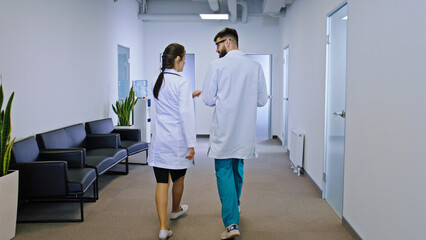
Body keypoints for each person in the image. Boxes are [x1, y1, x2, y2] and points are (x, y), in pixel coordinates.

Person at [202, 28, 269, 239]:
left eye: (218, 44)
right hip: (244, 131)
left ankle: (231, 224)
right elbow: (262, 100)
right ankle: (235, 207)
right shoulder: (255, 67)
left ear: (228, 42)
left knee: (223, 173)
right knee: (237, 170)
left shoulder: (217, 66)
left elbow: (208, 99)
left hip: (224, 130)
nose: (217, 49)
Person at [147, 43, 201, 240]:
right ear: (177, 59)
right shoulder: (182, 82)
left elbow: (164, 106)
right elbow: (185, 115)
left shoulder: (156, 79)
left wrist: (189, 96)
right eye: (184, 59)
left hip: (160, 139)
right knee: (178, 177)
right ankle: (175, 209)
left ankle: (163, 227)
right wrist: (192, 144)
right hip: (177, 140)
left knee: (162, 181)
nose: (185, 62)